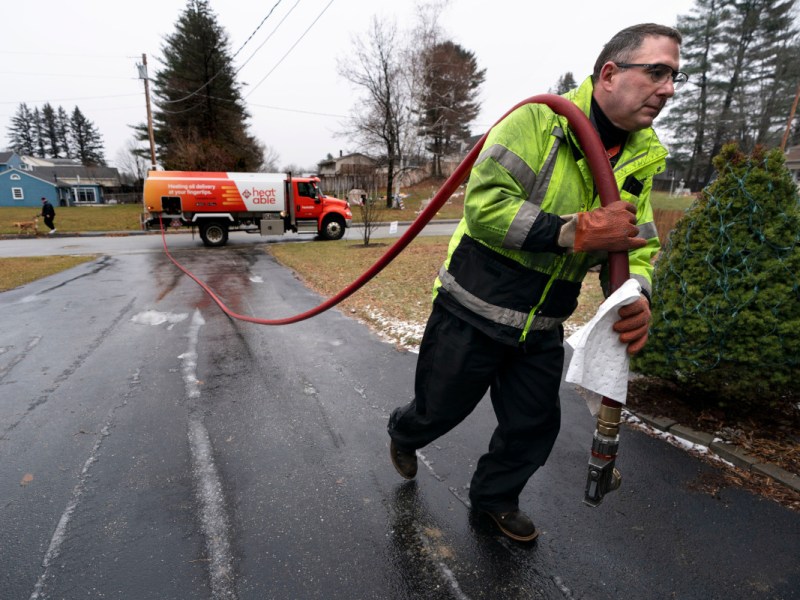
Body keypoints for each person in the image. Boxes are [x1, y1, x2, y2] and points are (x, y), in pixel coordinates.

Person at [387, 23, 684, 542]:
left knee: (533, 426)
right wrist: (571, 232)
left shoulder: (644, 156)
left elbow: (641, 242)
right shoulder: (537, 122)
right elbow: (484, 209)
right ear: (610, 74)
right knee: (439, 410)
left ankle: (494, 499)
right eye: (656, 72)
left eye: (676, 76)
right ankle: (404, 432)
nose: (669, 89)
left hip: (542, 324)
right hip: (471, 308)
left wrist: (638, 291)